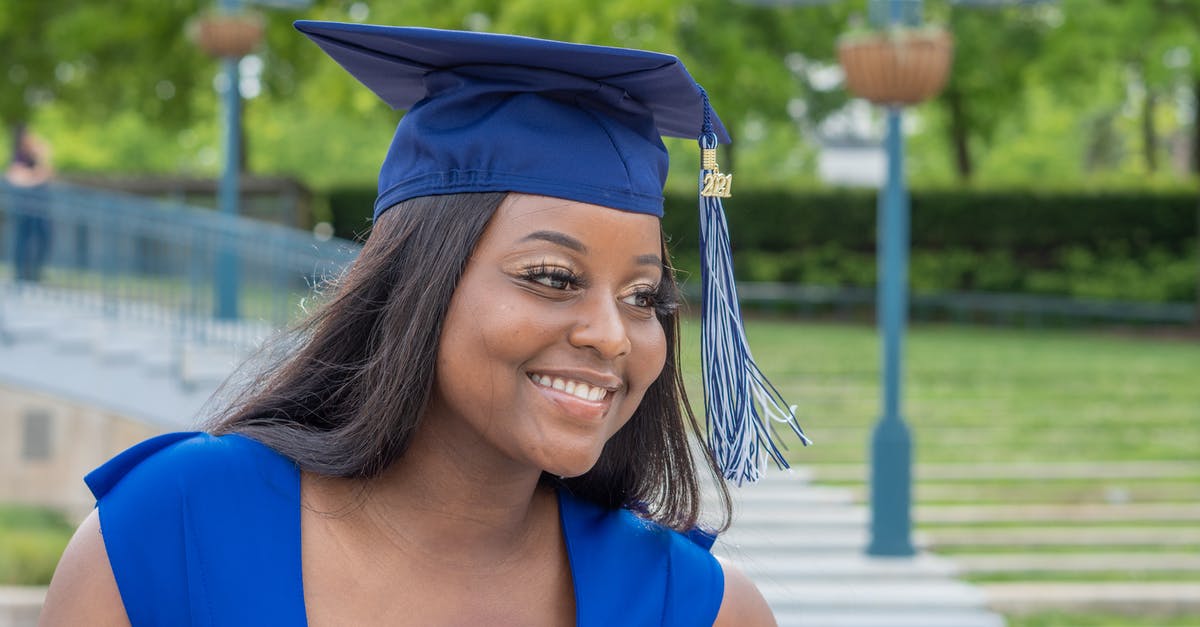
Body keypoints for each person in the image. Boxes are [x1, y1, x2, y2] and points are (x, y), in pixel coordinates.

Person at [40, 20, 809, 626]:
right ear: (421, 284)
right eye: (552, 277)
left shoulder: (696, 608)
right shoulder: (170, 535)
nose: (612, 334)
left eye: (645, 296)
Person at [6, 123, 54, 282]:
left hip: (40, 208)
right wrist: (34, 176)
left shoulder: (35, 158)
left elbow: (47, 174)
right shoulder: (18, 157)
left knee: (43, 240)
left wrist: (43, 156)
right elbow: (18, 179)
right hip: (25, 208)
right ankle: (21, 275)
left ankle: (35, 274)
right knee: (23, 241)